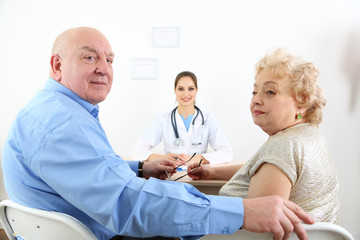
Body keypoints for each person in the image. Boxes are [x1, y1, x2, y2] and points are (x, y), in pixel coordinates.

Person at [1, 27, 314, 240]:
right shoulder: (66, 123)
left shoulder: (50, 113)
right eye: (90, 57)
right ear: (57, 65)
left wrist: (140, 167)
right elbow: (127, 202)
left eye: (109, 60)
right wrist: (238, 211)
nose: (105, 68)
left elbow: (93, 170)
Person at [188, 48, 340, 223]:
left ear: (302, 100)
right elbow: (263, 169)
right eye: (255, 92)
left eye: (270, 92)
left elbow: (259, 230)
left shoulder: (284, 145)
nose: (256, 100)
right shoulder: (309, 137)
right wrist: (212, 172)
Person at [130, 71, 233, 166]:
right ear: (175, 91)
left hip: (198, 174)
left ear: (196, 91)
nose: (185, 94)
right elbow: (136, 151)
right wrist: (163, 158)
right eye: (181, 89)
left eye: (191, 89)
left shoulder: (208, 119)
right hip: (170, 174)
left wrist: (199, 159)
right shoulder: (163, 120)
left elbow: (227, 153)